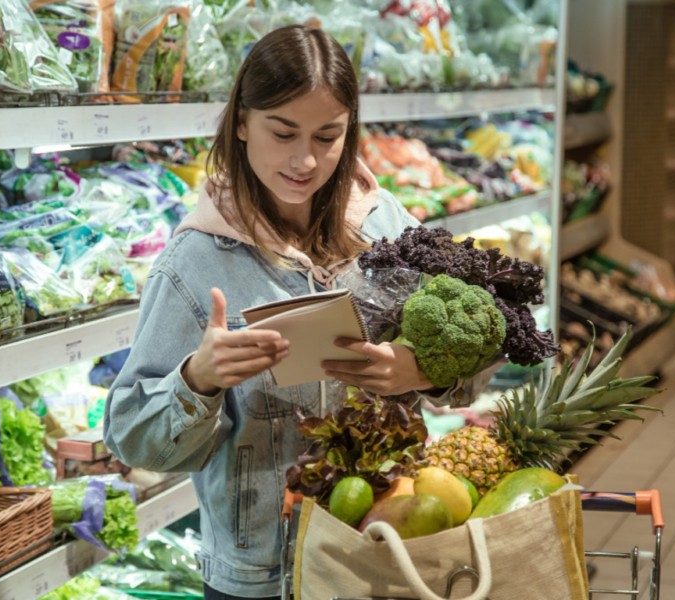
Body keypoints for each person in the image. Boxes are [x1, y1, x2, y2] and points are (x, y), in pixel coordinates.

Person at [104, 23, 436, 600]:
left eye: (328, 136)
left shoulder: (390, 228)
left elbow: (481, 349)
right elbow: (130, 438)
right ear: (241, 122)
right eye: (282, 132)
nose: (304, 159)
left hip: (389, 554)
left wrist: (423, 369)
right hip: (260, 578)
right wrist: (197, 381)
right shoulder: (196, 260)